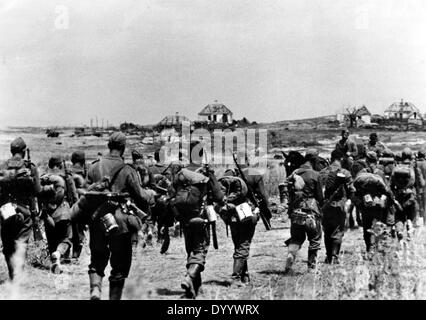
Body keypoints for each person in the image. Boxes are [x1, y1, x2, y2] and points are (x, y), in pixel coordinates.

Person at [72, 132, 151, 300]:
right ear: (123, 149)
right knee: (120, 265)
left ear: (108, 146)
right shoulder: (128, 170)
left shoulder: (94, 167)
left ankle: (95, 289)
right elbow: (140, 196)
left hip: (98, 218)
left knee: (97, 258)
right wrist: (150, 198)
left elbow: (87, 192)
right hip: (120, 221)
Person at [169, 165, 224, 299]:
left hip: (185, 220)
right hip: (200, 219)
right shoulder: (204, 173)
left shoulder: (182, 173)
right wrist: (211, 175)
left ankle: (193, 290)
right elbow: (219, 196)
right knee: (199, 251)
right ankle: (189, 278)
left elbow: (170, 196)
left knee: (191, 251)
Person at [0, 137, 41, 280]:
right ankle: (18, 274)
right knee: (21, 244)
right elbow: (37, 191)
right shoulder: (30, 167)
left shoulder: (2, 166)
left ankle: (13, 274)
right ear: (24, 151)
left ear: (11, 151)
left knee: (8, 244)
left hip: (6, 211)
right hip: (24, 211)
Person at [284, 151, 324, 273]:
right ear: (314, 161)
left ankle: (289, 261)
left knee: (296, 239)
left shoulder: (294, 173)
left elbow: (288, 193)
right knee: (315, 239)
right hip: (311, 212)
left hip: (296, 211)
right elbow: (320, 196)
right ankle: (312, 268)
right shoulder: (316, 175)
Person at [218, 171, 258, 285]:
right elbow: (262, 196)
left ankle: (244, 275)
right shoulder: (245, 183)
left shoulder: (223, 186)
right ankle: (236, 277)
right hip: (246, 217)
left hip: (232, 219)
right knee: (243, 246)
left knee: (238, 245)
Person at [38, 155, 73, 274]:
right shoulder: (65, 177)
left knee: (52, 240)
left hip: (48, 215)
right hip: (63, 213)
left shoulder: (43, 178)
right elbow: (74, 196)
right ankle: (59, 255)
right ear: (60, 165)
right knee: (67, 238)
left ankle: (55, 264)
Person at [322, 149, 355, 264]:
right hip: (339, 205)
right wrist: (349, 202)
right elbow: (351, 190)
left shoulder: (322, 172)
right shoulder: (345, 172)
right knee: (338, 231)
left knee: (327, 231)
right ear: (341, 159)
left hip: (325, 206)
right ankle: (334, 256)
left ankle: (328, 256)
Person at [390, 148, 422, 241]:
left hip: (399, 197)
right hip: (410, 196)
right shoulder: (414, 167)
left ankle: (399, 231)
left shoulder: (396, 168)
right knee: (410, 215)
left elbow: (391, 185)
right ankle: (409, 227)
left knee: (399, 216)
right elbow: (419, 184)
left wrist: (394, 196)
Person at [70, 151, 88, 260]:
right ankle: (75, 255)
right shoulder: (81, 175)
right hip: (78, 205)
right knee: (79, 232)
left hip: (67, 205)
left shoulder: (67, 171)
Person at [416, 149, 426, 225]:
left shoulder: (415, 164)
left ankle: (420, 220)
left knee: (419, 205)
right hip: (425, 187)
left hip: (417, 187)